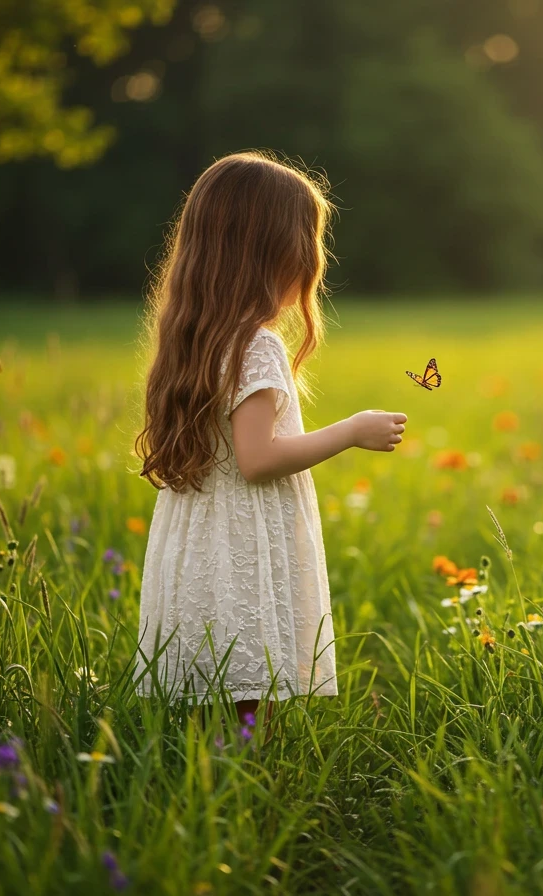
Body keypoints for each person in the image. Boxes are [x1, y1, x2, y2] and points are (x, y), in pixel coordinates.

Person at [133, 151, 407, 725]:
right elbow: (257, 460)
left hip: (198, 542)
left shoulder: (197, 337)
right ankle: (239, 799)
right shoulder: (257, 344)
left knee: (212, 700)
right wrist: (352, 430)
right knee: (245, 704)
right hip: (240, 544)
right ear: (277, 253)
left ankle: (206, 793)